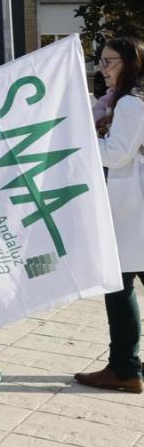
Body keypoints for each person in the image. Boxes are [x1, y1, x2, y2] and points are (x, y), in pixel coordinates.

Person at [74, 37, 144, 393]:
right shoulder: (119, 101)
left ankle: (124, 369)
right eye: (99, 61)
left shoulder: (132, 103)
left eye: (109, 61)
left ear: (131, 62)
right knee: (121, 285)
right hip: (132, 208)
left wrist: (82, 142)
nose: (102, 68)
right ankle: (125, 366)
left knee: (118, 287)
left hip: (134, 208)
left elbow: (117, 155)